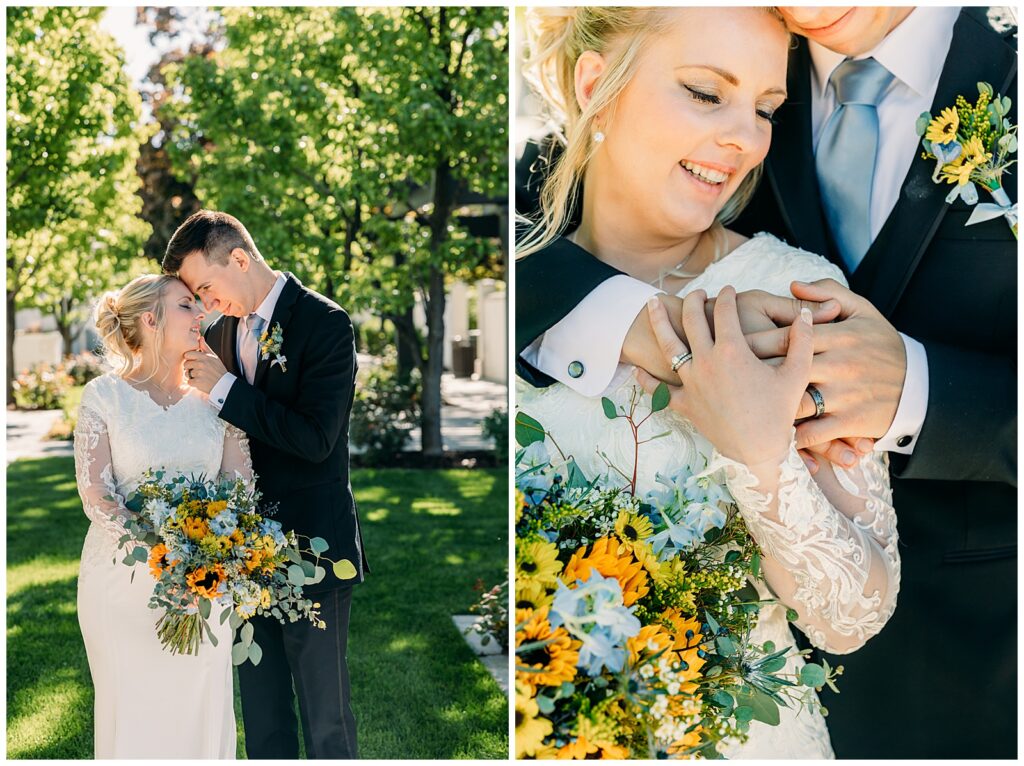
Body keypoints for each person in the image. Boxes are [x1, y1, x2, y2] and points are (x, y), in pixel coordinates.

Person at [516, 6, 1016, 758]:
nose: (749, 140)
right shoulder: (529, 248)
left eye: (766, 110)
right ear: (595, 85)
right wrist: (648, 325)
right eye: (706, 93)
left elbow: (850, 613)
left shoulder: (791, 286)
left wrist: (764, 453)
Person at [162, 210, 366, 759]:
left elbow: (317, 438)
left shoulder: (324, 322)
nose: (204, 305)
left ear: (240, 258)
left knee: (326, 717)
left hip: (314, 547)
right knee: (264, 714)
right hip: (241, 553)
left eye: (205, 287)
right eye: (195, 296)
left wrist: (228, 390)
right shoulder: (221, 332)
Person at [75, 274, 245, 758]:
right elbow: (97, 495)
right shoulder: (104, 397)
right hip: (123, 585)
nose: (201, 316)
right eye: (187, 306)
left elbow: (239, 487)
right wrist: (164, 556)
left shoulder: (217, 397)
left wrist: (208, 557)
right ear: (151, 320)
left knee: (200, 706)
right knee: (132, 712)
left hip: (207, 584)